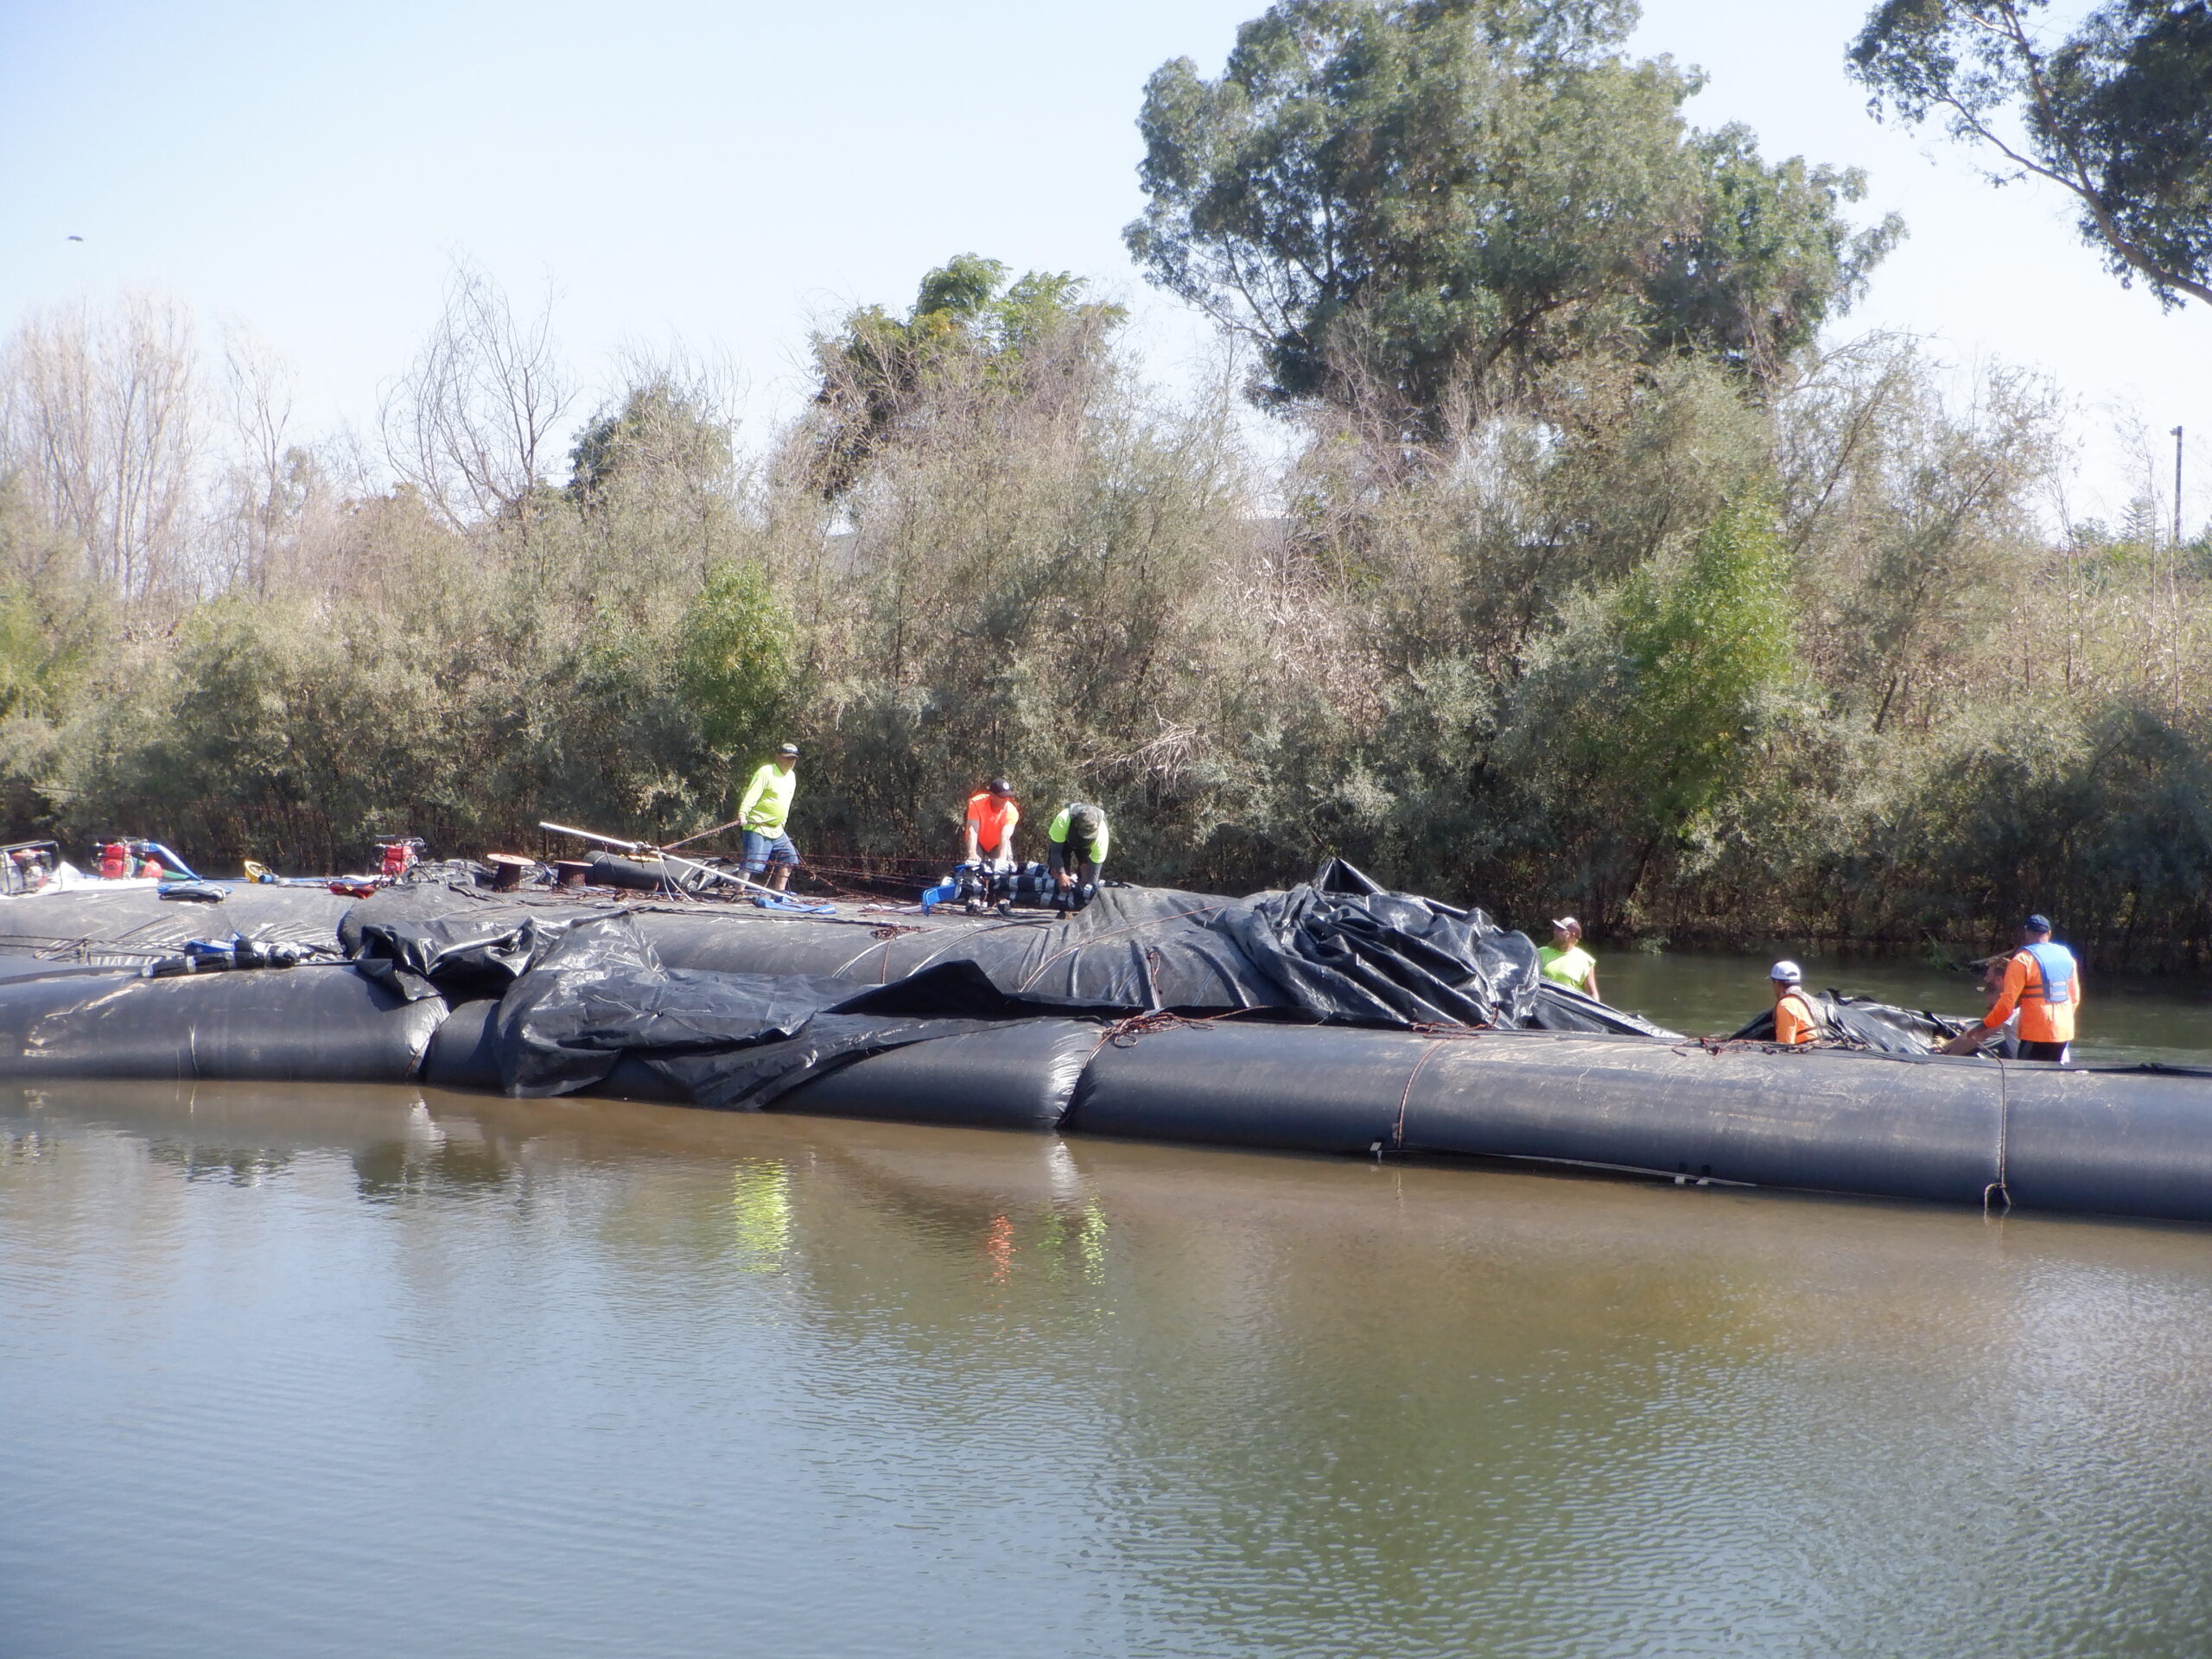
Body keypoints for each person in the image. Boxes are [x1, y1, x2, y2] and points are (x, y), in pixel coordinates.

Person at [1942, 914, 2081, 1063]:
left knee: (2027, 1077)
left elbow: (2007, 1004)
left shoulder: (2022, 959)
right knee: (2050, 1076)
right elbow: (2074, 998)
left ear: (2027, 933)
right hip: (2064, 1030)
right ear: (2049, 933)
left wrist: (1985, 1024)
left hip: (2037, 1031)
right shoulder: (2066, 955)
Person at [736, 743, 802, 893]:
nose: (790, 762)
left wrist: (782, 822)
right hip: (757, 827)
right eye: (787, 758)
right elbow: (752, 794)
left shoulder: (792, 776)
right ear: (777, 757)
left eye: (793, 759)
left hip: (777, 829)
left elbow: (787, 800)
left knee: (790, 858)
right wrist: (743, 813)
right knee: (752, 863)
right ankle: (738, 892)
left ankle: (779, 892)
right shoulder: (766, 772)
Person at [1046, 802, 1109, 907]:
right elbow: (1056, 852)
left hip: (1087, 846)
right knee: (1058, 875)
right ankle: (1062, 905)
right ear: (1076, 824)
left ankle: (1081, 905)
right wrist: (1062, 874)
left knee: (1086, 874)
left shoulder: (1102, 836)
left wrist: (1089, 890)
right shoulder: (1063, 820)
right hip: (1065, 840)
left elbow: (1094, 874)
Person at [963, 779, 1020, 868]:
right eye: (1002, 797)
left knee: (1004, 865)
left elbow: (1004, 836)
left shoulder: (1012, 812)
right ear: (991, 795)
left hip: (997, 844)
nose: (1006, 800)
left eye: (1008, 796)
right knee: (973, 866)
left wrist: (1002, 859)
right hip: (978, 841)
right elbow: (973, 829)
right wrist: (972, 853)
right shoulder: (976, 803)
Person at [1536, 917, 1599, 1000]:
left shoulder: (1586, 961)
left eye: (1560, 930)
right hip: (1543, 1007)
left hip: (1567, 1009)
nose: (1555, 932)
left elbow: (1592, 994)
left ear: (1571, 936)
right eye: (1556, 929)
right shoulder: (1539, 953)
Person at [1770, 960, 1821, 1046]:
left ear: (1777, 983)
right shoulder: (1806, 999)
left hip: (1804, 1053)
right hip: (1816, 1047)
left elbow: (1785, 1044)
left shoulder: (1786, 1005)